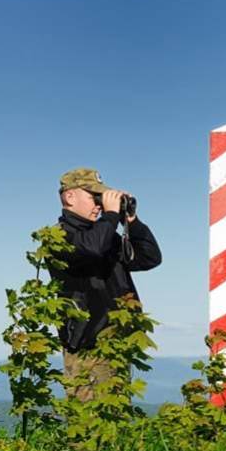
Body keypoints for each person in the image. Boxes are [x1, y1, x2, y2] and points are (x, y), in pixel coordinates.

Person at [55, 167, 162, 401]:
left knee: (114, 418)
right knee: (87, 422)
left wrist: (131, 222)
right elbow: (91, 249)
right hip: (88, 343)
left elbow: (149, 258)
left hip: (117, 340)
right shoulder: (59, 236)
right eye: (94, 197)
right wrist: (111, 217)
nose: (99, 204)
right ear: (70, 196)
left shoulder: (105, 234)